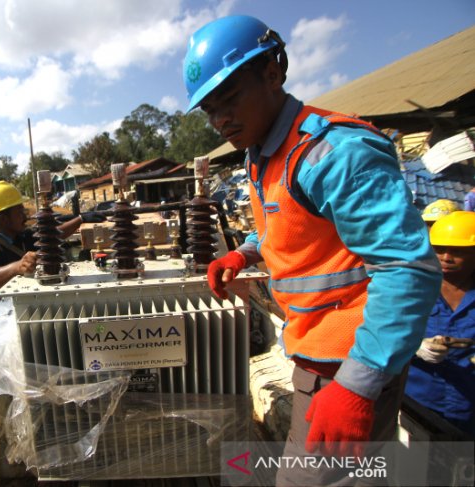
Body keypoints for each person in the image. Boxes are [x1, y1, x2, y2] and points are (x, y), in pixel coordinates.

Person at [183, 15, 442, 483]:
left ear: (273, 72)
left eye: (230, 98)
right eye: (208, 109)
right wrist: (243, 253)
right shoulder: (264, 154)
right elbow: (288, 226)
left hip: (350, 363)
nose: (220, 119)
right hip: (316, 356)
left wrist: (358, 388)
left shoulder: (335, 153)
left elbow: (409, 269)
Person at [0, 181, 101, 316]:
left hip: (22, 310)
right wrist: (17, 267)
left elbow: (53, 235)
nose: (25, 217)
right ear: (3, 219)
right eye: (19, 212)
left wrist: (80, 219)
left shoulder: (21, 236)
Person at [405, 211, 475, 436]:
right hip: (417, 404)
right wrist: (416, 347)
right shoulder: (411, 287)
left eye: (458, 251)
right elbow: (375, 332)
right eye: (440, 250)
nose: (446, 257)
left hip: (468, 408)